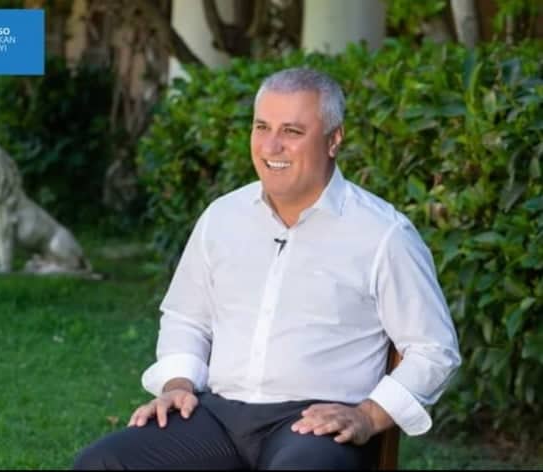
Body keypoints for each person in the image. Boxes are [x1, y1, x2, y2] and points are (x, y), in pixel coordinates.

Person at [73, 67, 461, 470]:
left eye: (292, 131)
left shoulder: (383, 233)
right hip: (217, 417)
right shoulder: (222, 217)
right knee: (102, 463)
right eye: (262, 127)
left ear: (334, 139)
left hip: (314, 426)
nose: (271, 146)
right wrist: (178, 383)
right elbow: (186, 317)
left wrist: (368, 415)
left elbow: (434, 350)